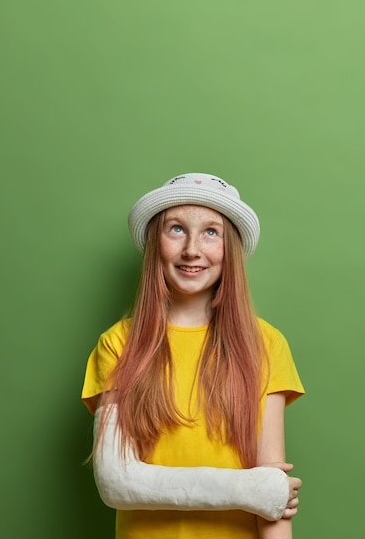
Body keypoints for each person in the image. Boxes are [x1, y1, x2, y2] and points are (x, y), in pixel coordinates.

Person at [82, 173, 305, 539]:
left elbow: (273, 492)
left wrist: (267, 492)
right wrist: (253, 490)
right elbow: (115, 481)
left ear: (229, 249)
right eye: (176, 229)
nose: (192, 249)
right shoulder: (118, 344)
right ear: (156, 244)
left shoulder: (265, 343)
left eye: (211, 232)